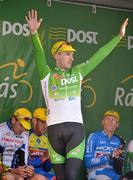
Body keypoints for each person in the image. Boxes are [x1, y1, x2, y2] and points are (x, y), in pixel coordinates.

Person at [25, 9, 128, 180]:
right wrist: (34, 33)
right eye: (67, 54)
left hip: (75, 130)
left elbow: (99, 56)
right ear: (56, 56)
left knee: (72, 175)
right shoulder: (46, 74)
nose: (72, 57)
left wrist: (118, 37)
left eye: (72, 54)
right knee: (61, 177)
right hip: (54, 131)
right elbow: (39, 54)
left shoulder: (78, 72)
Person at [84, 110, 126, 180]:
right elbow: (88, 162)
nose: (110, 121)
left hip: (114, 175)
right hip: (97, 173)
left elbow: (119, 167)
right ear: (103, 122)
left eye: (113, 119)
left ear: (117, 124)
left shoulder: (119, 141)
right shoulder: (93, 136)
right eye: (108, 119)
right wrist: (109, 157)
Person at [0, 107, 34, 180]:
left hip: (16, 172)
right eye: (21, 125)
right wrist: (11, 170)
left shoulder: (25, 135)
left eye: (25, 127)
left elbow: (24, 161)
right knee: (9, 177)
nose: (23, 130)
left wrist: (27, 169)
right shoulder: (1, 131)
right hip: (4, 171)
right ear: (13, 120)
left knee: (39, 178)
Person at [28, 107, 56, 180]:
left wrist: (50, 160)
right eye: (42, 122)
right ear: (34, 121)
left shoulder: (47, 139)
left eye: (47, 122)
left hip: (42, 172)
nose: (45, 126)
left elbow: (46, 168)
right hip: (28, 172)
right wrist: (44, 158)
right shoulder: (26, 136)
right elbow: (25, 163)